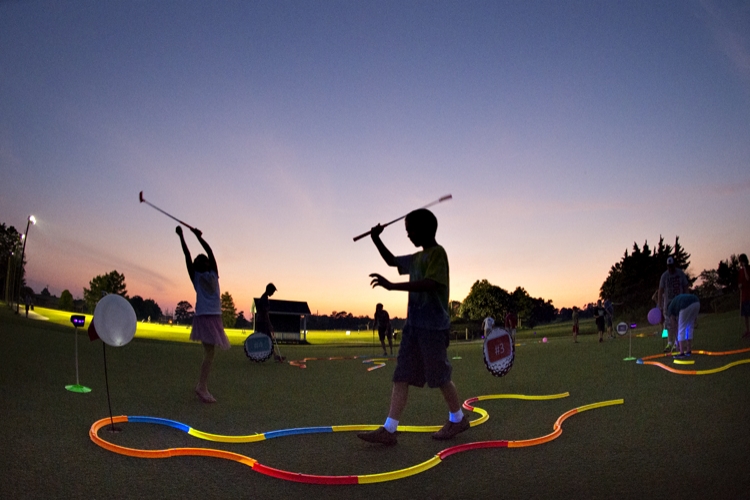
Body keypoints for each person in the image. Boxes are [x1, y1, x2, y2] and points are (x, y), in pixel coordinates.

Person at [358, 208, 468, 446]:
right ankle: (389, 429)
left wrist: (392, 286)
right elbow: (391, 261)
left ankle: (458, 418)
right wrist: (377, 238)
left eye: (411, 230)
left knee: (439, 376)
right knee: (402, 375)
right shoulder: (416, 258)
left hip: (433, 327)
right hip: (413, 327)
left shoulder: (438, 254)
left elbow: (429, 284)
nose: (408, 235)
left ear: (426, 229)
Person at [176, 226, 230, 403]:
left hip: (214, 316)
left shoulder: (214, 272)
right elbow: (187, 255)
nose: (204, 261)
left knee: (210, 353)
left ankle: (202, 385)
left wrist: (197, 236)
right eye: (201, 260)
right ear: (198, 265)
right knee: (209, 353)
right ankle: (202, 386)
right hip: (205, 317)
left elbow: (209, 251)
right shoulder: (196, 276)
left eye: (205, 260)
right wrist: (182, 236)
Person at [658, 257, 689, 352]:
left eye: (671, 266)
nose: (670, 269)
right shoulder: (664, 276)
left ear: (674, 265)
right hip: (668, 304)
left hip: (679, 302)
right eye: (668, 267)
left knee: (679, 323)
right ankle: (669, 343)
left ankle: (677, 343)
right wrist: (659, 304)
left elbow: (685, 287)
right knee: (668, 325)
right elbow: (660, 290)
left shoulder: (680, 273)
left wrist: (686, 299)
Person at [255, 283, 284, 361]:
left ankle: (275, 356)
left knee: (266, 339)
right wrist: (270, 324)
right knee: (267, 339)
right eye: (272, 291)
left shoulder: (263, 298)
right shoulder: (264, 299)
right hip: (263, 322)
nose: (273, 293)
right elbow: (265, 313)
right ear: (269, 290)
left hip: (260, 321)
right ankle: (271, 356)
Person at [667, 293, 700, 358]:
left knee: (681, 328)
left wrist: (677, 340)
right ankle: (688, 350)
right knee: (689, 326)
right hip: (697, 302)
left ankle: (681, 352)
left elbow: (674, 324)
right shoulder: (676, 302)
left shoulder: (670, 308)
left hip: (685, 305)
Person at [739, 254, 750, 339]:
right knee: (745, 315)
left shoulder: (748, 269)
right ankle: (747, 330)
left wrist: (745, 268)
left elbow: (748, 279)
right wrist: (740, 285)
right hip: (744, 296)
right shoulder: (740, 271)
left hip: (749, 294)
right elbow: (740, 281)